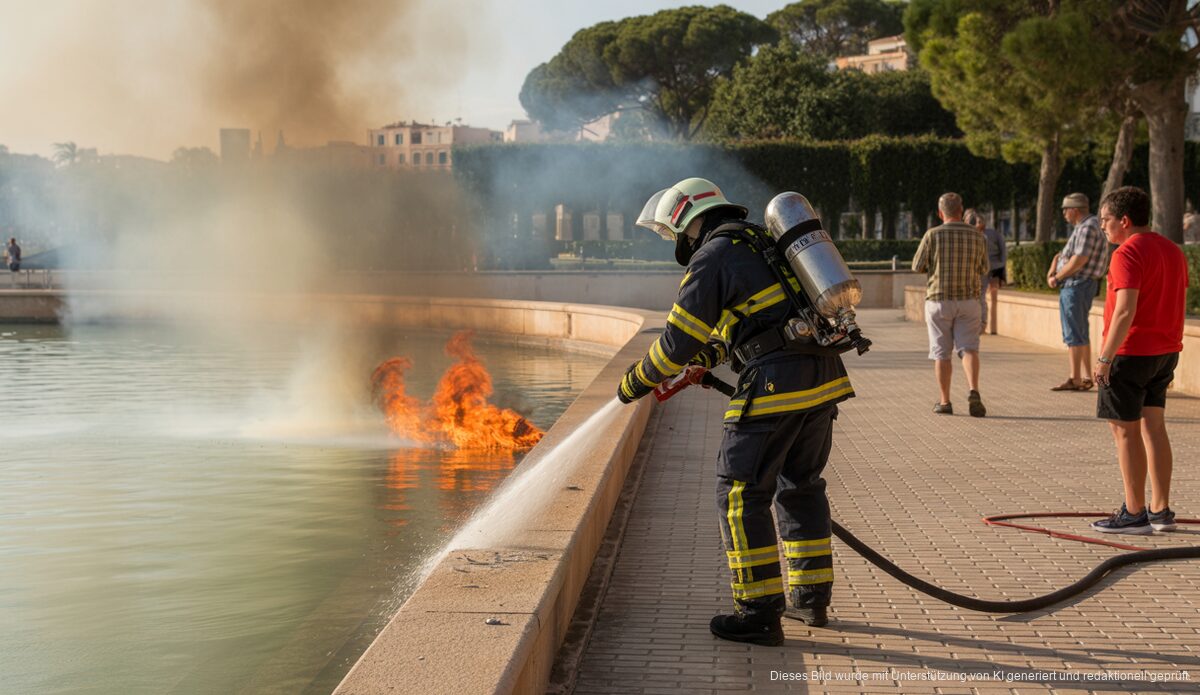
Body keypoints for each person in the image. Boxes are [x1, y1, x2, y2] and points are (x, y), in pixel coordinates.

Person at [617, 178, 855, 646]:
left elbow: (676, 342)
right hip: (823, 377)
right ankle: (811, 599)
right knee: (800, 486)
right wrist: (707, 359)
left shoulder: (714, 257)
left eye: (677, 233)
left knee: (740, 494)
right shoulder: (763, 242)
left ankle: (759, 613)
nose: (680, 243)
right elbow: (752, 325)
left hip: (774, 387)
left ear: (691, 219)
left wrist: (635, 382)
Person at [1090, 186, 1188, 534]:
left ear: (1125, 221)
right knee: (1154, 427)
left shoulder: (1126, 254)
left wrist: (1104, 358)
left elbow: (1125, 310)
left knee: (1124, 432)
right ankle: (1160, 510)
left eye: (1106, 220)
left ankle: (1133, 513)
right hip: (1165, 353)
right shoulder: (1173, 251)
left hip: (1130, 354)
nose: (1103, 227)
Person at [912, 193, 989, 417]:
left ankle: (945, 401)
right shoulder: (977, 236)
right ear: (960, 209)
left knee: (941, 353)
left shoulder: (932, 235)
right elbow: (984, 268)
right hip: (969, 300)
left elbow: (918, 266)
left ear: (940, 212)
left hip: (939, 299)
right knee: (970, 349)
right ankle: (974, 390)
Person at [1046, 193, 1108, 392]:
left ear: (1074, 209)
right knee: (1080, 332)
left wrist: (1057, 277)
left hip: (1076, 284)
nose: (1064, 213)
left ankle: (1075, 378)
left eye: (1065, 209)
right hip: (1079, 284)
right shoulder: (1085, 227)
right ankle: (1086, 376)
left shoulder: (1087, 226)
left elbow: (1079, 258)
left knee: (1073, 333)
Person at [966, 209, 1007, 335]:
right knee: (981, 296)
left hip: (994, 268)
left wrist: (1001, 272)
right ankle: (983, 324)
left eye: (980, 221)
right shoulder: (972, 235)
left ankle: (990, 327)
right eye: (976, 221)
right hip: (982, 269)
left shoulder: (993, 234)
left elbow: (1003, 252)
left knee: (991, 297)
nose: (978, 223)